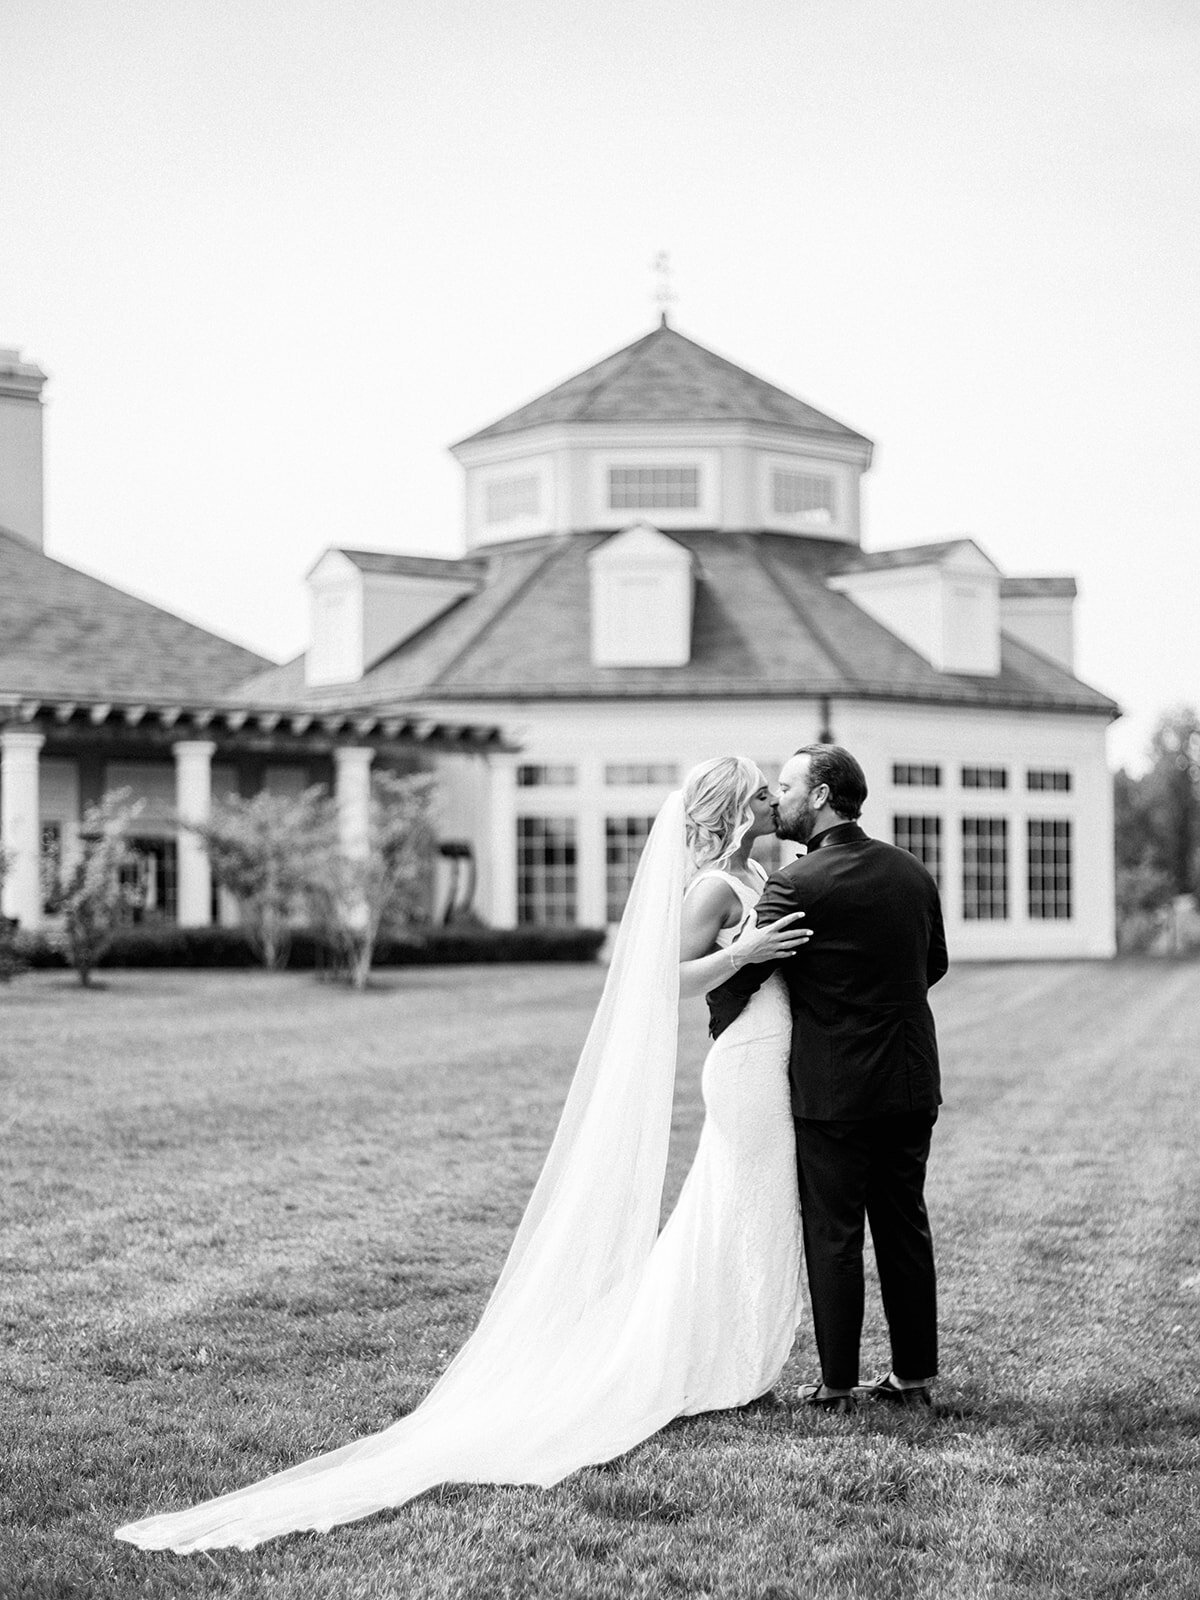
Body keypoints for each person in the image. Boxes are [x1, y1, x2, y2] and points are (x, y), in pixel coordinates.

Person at [115, 756, 811, 1552]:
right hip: (742, 1062)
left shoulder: (757, 871)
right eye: (760, 790)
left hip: (765, 1055)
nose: (769, 799)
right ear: (730, 807)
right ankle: (697, 1359)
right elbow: (665, 978)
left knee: (726, 1213)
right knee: (730, 1206)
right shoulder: (715, 889)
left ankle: (727, 1350)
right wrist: (739, 958)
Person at [707, 744, 948, 1412]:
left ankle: (837, 1386)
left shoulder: (796, 884)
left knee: (834, 1232)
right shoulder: (910, 871)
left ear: (818, 797)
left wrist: (726, 1030)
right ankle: (915, 1381)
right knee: (905, 1227)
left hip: (833, 1089)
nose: (777, 798)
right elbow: (934, 964)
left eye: (784, 786)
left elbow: (745, 977)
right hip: (908, 1079)